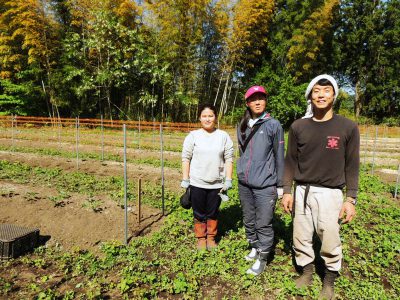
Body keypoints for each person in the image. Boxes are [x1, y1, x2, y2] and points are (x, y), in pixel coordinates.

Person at [282, 74, 360, 300]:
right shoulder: (299, 126)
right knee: (301, 235)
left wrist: (350, 198)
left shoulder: (347, 127)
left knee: (329, 237)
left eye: (326, 90)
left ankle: (329, 279)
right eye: (316, 91)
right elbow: (290, 162)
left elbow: (352, 165)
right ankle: (306, 271)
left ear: (334, 95)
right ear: (310, 96)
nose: (321, 95)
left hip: (330, 193)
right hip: (302, 190)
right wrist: (287, 191)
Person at [236, 86, 285, 275]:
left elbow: (280, 156)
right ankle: (255, 246)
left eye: (261, 98)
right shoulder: (242, 124)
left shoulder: (273, 125)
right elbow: (242, 152)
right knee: (249, 219)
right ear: (247, 103)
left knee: (263, 222)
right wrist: (241, 171)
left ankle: (263, 258)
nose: (257, 102)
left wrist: (280, 185)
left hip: (265, 184)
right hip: (245, 183)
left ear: (265, 101)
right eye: (253, 99)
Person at [181, 104, 234, 250]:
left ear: (215, 117)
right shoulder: (193, 136)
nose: (207, 119)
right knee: (199, 212)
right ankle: (201, 238)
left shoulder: (223, 136)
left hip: (216, 184)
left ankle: (211, 237)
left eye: (210, 116)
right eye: (204, 116)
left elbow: (229, 158)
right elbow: (186, 158)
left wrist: (228, 179)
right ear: (199, 118)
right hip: (197, 182)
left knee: (213, 212)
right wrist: (186, 179)